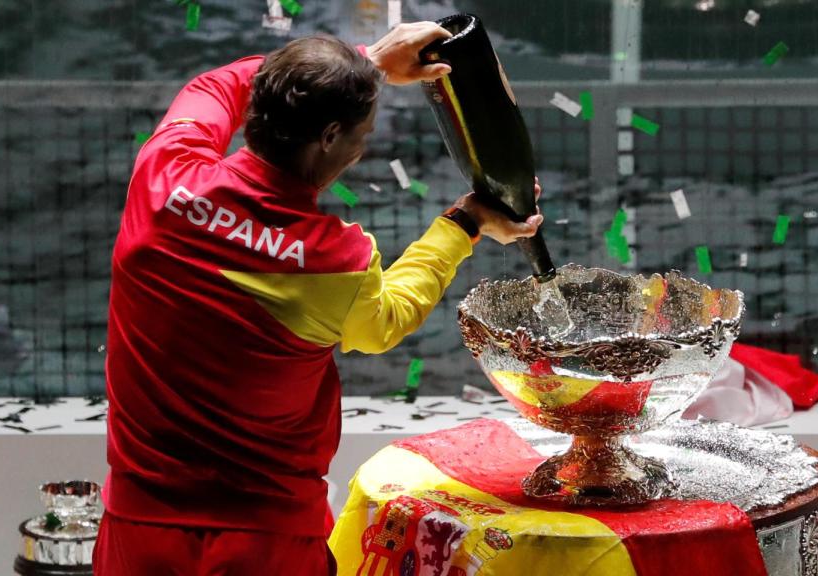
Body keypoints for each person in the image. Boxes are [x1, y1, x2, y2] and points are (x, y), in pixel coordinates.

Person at [93, 21, 544, 575]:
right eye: (363, 133)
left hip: (138, 531)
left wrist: (368, 59)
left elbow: (212, 87)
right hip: (267, 541)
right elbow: (386, 320)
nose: (361, 148)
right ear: (330, 137)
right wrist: (464, 223)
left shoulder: (164, 176)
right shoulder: (335, 260)